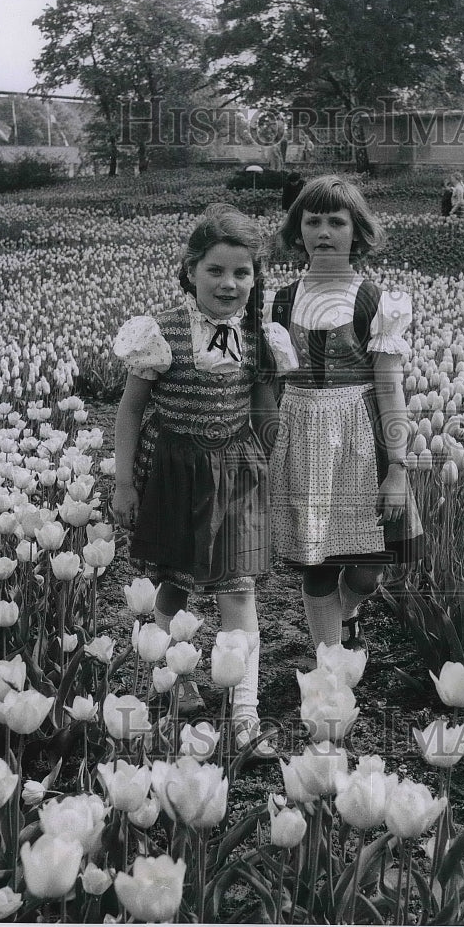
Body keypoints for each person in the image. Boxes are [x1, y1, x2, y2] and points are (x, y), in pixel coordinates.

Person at [111, 203, 297, 757]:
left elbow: (266, 414)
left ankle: (245, 714)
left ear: (255, 278)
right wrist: (125, 483)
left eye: (242, 272)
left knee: (238, 588)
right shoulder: (160, 332)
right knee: (174, 583)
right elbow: (128, 412)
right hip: (172, 473)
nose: (228, 283)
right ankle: (176, 677)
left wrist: (261, 470)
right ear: (191, 270)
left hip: (235, 475)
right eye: (215, 270)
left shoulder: (262, 336)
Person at [269, 175, 424, 659]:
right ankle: (328, 663)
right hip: (301, 436)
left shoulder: (377, 300)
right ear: (298, 230)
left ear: (357, 231)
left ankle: (348, 609)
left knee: (366, 566)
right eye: (312, 220)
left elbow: (389, 385)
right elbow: (271, 382)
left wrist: (397, 467)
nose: (324, 230)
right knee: (316, 562)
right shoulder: (282, 298)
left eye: (336, 221)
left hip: (360, 436)